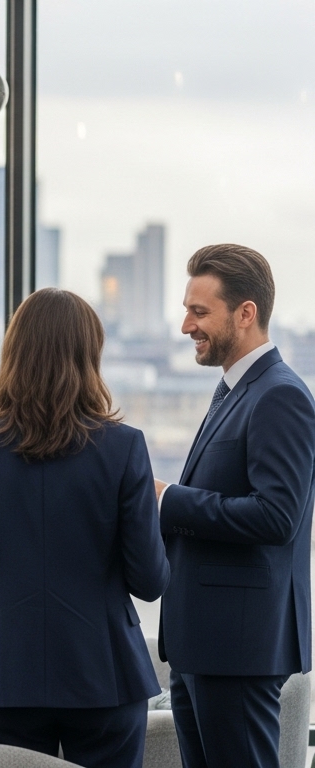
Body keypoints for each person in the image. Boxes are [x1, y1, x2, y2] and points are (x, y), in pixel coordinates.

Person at [0, 288, 169, 768]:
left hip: (3, 672)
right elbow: (150, 581)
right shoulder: (125, 447)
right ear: (90, 355)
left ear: (13, 353)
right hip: (105, 672)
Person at [152, 245, 315, 768]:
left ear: (246, 313)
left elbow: (276, 516)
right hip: (205, 646)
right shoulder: (236, 390)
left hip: (237, 651)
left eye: (199, 312)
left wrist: (167, 501)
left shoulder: (279, 396)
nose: (186, 326)